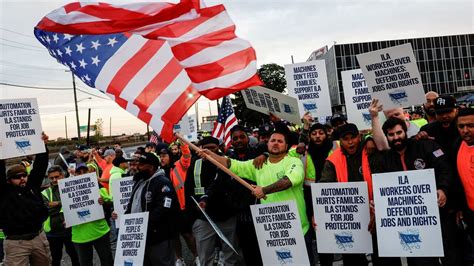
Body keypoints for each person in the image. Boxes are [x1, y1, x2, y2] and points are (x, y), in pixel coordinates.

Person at [199, 130, 314, 265]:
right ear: (268, 144)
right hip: (272, 231)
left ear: (286, 145)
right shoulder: (258, 164)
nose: (275, 143)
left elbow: (288, 181)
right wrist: (212, 155)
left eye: (280, 141)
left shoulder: (294, 161)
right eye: (273, 140)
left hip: (298, 229)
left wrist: (264, 190)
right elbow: (233, 165)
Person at [373, 117, 453, 265]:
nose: (396, 137)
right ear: (386, 136)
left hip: (437, 214)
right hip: (409, 223)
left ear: (405, 131)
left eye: (399, 132)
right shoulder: (385, 160)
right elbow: (382, 190)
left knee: (450, 256)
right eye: (391, 135)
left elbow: (444, 169)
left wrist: (443, 189)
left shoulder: (424, 146)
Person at [319, 124, 379, 265]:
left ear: (359, 137)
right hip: (349, 218)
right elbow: (324, 189)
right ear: (340, 141)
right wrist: (320, 212)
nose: (350, 142)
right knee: (353, 260)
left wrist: (370, 138)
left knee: (381, 257)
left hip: (375, 213)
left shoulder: (370, 150)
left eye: (353, 138)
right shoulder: (333, 160)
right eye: (346, 139)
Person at [185, 137, 242, 266]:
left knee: (230, 253)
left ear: (218, 148)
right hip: (203, 217)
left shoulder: (228, 161)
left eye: (213, 148)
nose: (210, 150)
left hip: (227, 215)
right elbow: (188, 190)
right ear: (200, 148)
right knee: (205, 255)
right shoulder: (195, 163)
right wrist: (192, 218)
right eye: (207, 148)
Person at [0, 133, 52, 265]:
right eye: (17, 177)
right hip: (16, 243)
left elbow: (40, 167)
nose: (22, 178)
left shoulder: (32, 186)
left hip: (38, 237)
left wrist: (43, 146)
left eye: (24, 175)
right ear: (9, 180)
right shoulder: (5, 192)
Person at [124, 152, 180, 266]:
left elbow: (164, 208)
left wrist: (143, 222)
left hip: (159, 236)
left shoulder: (163, 183)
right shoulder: (139, 182)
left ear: (151, 167)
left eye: (142, 165)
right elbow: (131, 204)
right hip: (140, 236)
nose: (138, 167)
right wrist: (125, 218)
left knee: (161, 263)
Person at [226, 125, 262, 266]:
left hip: (259, 210)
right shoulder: (228, 160)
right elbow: (220, 183)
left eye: (242, 137)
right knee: (248, 252)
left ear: (248, 138)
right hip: (241, 215)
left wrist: (264, 155)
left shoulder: (258, 154)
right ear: (231, 141)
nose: (239, 140)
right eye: (235, 138)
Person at [159, 143, 199, 265]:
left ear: (170, 156)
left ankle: (197, 256)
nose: (162, 158)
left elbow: (187, 155)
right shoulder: (159, 172)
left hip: (181, 207)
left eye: (164, 155)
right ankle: (179, 259)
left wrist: (182, 143)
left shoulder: (179, 165)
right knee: (173, 236)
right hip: (168, 209)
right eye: (160, 156)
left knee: (187, 234)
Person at [450, 108, 474, 265]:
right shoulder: (457, 145)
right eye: (461, 126)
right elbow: (457, 180)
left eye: (471, 125)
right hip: (470, 213)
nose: (465, 130)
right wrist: (459, 208)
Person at [43, 165, 80, 266]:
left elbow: (76, 204)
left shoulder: (71, 188)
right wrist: (64, 203)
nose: (54, 180)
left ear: (62, 175)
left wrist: (56, 203)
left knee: (76, 257)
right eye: (51, 178)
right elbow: (47, 209)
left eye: (57, 177)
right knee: (55, 260)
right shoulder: (45, 193)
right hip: (53, 234)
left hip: (71, 231)